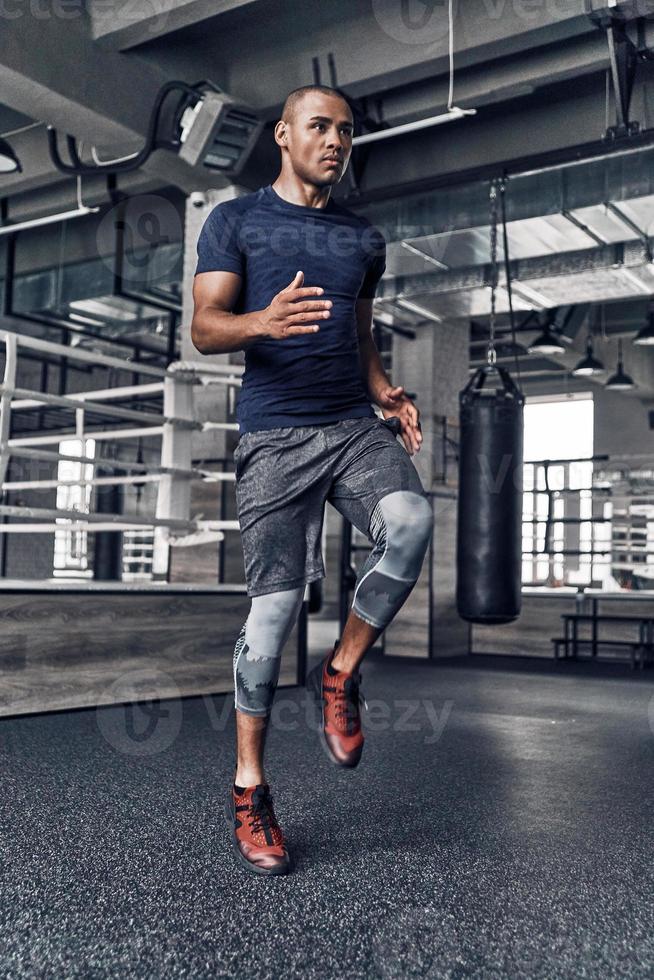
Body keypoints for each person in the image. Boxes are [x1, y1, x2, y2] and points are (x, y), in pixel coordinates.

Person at [191, 84, 433, 876]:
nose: (335, 141)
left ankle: (340, 671)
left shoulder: (364, 238)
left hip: (349, 426)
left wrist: (384, 390)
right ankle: (250, 787)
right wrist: (260, 322)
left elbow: (359, 333)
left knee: (410, 522)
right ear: (283, 135)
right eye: (320, 127)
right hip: (274, 437)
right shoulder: (235, 221)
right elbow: (204, 328)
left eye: (346, 131)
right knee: (270, 621)